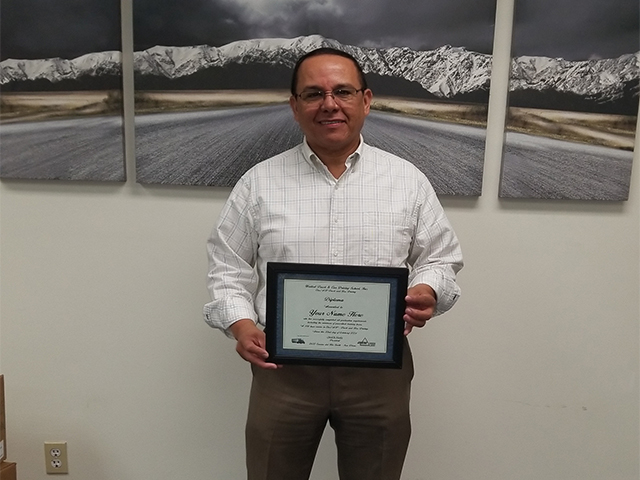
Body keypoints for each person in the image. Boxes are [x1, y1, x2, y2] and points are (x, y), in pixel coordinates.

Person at [204, 47, 463, 480]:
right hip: (283, 371)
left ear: (366, 100)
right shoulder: (258, 183)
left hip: (379, 374)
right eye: (313, 94)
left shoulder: (407, 181)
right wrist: (242, 325)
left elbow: (439, 258)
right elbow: (226, 267)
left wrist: (427, 290)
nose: (329, 104)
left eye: (343, 91)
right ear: (295, 106)